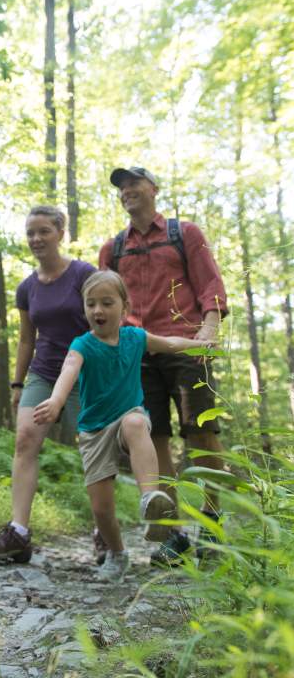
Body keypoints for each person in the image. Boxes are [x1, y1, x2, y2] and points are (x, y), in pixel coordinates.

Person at [33, 270, 216, 583]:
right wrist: (56, 400)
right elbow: (69, 369)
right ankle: (118, 553)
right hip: (94, 430)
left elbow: (169, 343)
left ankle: (150, 498)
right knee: (101, 508)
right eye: (91, 304)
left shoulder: (136, 337)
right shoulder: (83, 344)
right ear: (85, 310)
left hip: (128, 416)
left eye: (107, 302)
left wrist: (199, 346)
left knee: (135, 422)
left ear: (124, 307)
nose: (98, 310)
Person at [99, 166, 227, 566]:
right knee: (154, 440)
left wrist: (209, 329)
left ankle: (212, 522)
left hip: (186, 346)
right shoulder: (113, 248)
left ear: (153, 189)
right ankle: (173, 533)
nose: (127, 191)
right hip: (137, 353)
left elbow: (210, 285)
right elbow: (103, 302)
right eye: (121, 187)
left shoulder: (183, 233)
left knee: (201, 434)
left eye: (134, 183)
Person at [0, 205, 95, 562]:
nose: (36, 239)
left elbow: (103, 321)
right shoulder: (27, 287)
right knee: (25, 441)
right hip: (44, 372)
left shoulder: (83, 274)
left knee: (92, 448)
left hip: (84, 371)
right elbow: (27, 338)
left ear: (60, 232)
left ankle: (103, 532)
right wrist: (16, 383)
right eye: (30, 233)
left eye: (43, 231)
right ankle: (19, 534)